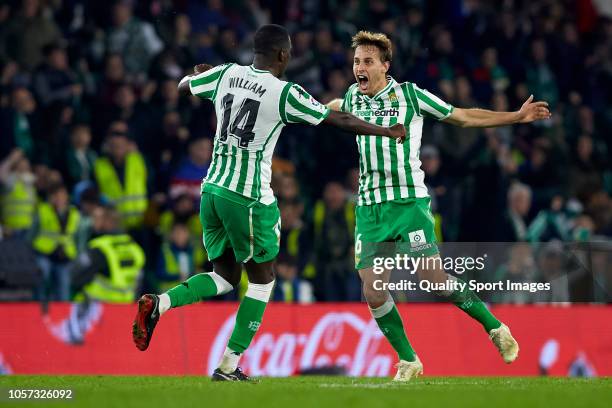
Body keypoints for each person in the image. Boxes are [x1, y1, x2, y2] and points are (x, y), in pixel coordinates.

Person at [131, 24, 406, 382]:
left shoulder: (226, 73)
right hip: (247, 197)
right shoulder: (284, 92)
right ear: (282, 55)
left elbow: (184, 86)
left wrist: (197, 75)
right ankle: (228, 366)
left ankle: (159, 304)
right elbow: (335, 117)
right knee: (262, 282)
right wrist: (386, 130)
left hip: (211, 190)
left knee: (225, 277)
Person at [326, 31, 551, 381]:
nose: (359, 67)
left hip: (409, 203)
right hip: (370, 209)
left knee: (432, 278)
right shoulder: (352, 98)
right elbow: (326, 110)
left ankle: (495, 328)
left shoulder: (411, 96)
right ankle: (409, 359)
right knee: (372, 289)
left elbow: (461, 116)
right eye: (356, 61)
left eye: (367, 61)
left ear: (385, 66)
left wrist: (514, 117)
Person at [70, 205, 145, 303]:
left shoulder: (100, 248)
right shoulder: (135, 248)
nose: (93, 222)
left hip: (99, 307)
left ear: (108, 222)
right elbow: (138, 284)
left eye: (98, 218)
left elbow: (75, 277)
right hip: (125, 307)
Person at [31, 183, 81, 301]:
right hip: (45, 253)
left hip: (65, 256)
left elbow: (78, 237)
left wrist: (77, 254)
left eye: (62, 195)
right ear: (51, 197)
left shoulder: (74, 213)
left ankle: (62, 313)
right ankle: (40, 307)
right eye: (56, 195)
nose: (59, 198)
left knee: (64, 286)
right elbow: (32, 234)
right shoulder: (43, 210)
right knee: (42, 276)